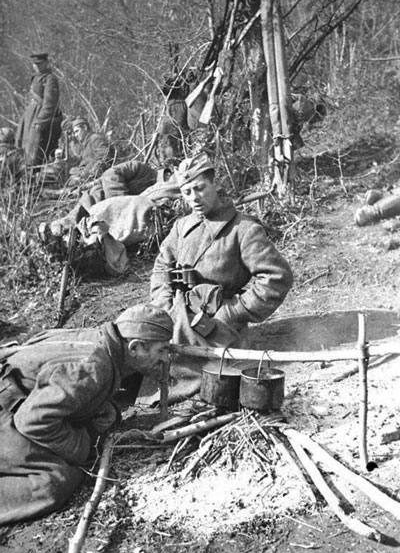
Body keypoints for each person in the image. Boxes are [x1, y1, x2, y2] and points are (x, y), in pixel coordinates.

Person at [0, 304, 173, 525]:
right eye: (161, 350)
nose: (165, 358)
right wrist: (82, 444)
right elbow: (33, 421)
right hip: (11, 412)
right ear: (135, 347)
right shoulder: (94, 365)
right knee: (54, 481)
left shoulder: (95, 339)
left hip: (17, 402)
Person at [149, 152, 293, 401]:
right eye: (187, 192)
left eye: (200, 188)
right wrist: (164, 303)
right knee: (137, 344)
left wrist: (234, 311)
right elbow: (162, 266)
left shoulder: (243, 229)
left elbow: (276, 277)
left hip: (216, 324)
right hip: (176, 314)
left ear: (215, 184)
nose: (194, 198)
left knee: (193, 383)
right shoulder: (182, 227)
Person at [48, 158, 158, 236]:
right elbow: (110, 174)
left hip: (108, 218)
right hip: (101, 200)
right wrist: (119, 203)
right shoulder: (141, 169)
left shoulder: (158, 190)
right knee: (75, 219)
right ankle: (56, 231)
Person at [15, 53, 62, 167]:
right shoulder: (36, 77)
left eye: (39, 64)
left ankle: (35, 171)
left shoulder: (50, 79)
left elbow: (50, 103)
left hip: (40, 117)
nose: (37, 66)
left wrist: (40, 121)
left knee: (36, 149)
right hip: (31, 115)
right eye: (34, 64)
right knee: (24, 146)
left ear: (46, 63)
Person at [66, 116, 116, 186]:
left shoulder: (96, 139)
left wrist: (86, 174)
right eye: (74, 133)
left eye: (77, 131)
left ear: (85, 127)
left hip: (99, 177)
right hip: (89, 176)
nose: (76, 135)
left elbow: (104, 159)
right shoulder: (86, 143)